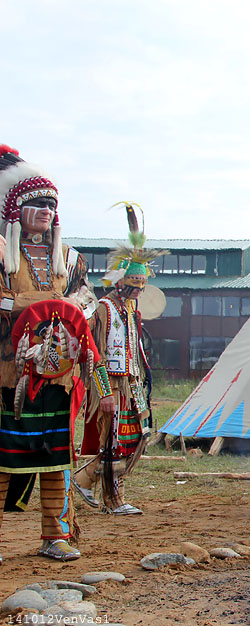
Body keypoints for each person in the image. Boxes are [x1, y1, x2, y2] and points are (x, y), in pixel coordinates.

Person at [0, 145, 101, 562]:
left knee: (56, 457)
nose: (46, 210)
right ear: (13, 208)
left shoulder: (69, 258)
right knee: (4, 457)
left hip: (58, 375)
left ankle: (55, 535)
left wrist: (71, 308)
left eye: (51, 204)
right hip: (10, 373)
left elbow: (88, 299)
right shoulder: (2, 252)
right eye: (36, 203)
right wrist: (33, 303)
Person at [74, 207, 165, 515]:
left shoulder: (129, 310)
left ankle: (85, 479)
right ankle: (114, 499)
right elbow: (94, 353)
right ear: (120, 282)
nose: (138, 292)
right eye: (134, 286)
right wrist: (104, 392)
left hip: (130, 383)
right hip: (111, 386)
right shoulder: (103, 309)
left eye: (141, 287)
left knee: (136, 436)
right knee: (114, 441)